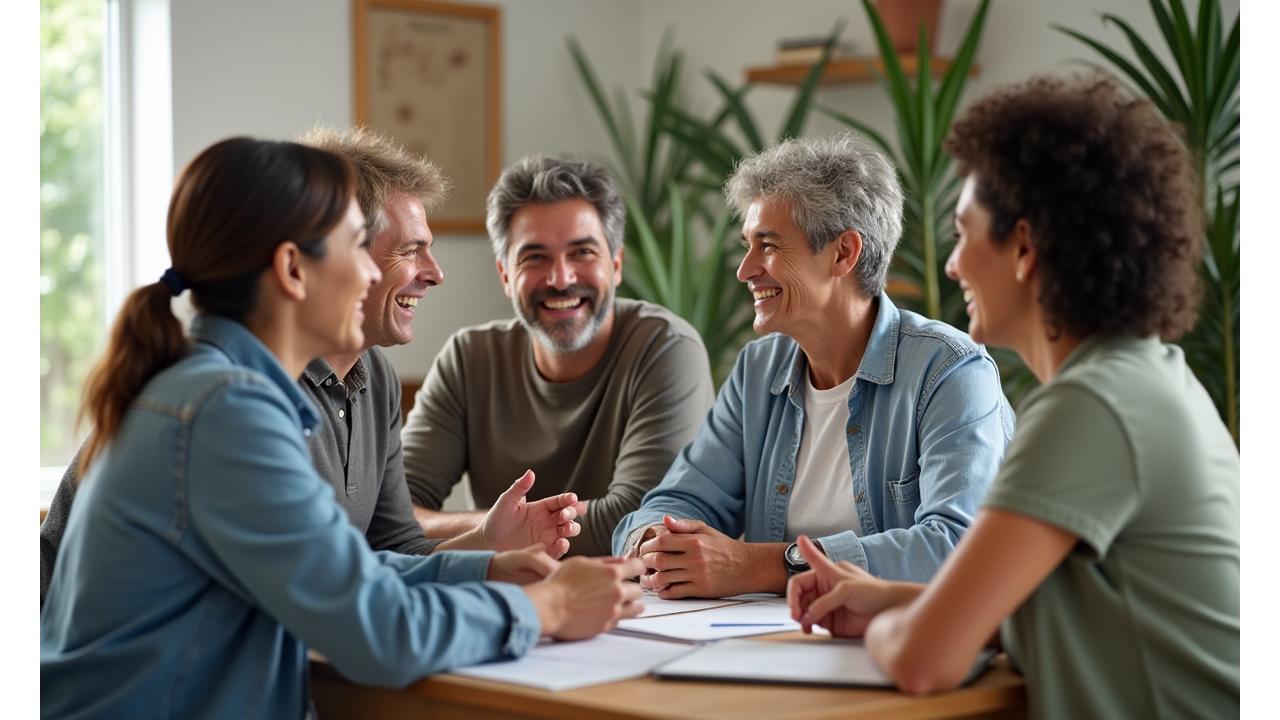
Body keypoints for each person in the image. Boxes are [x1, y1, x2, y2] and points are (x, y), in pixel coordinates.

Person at [41, 137, 643, 718]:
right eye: (360, 246)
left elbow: (343, 566)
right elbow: (376, 630)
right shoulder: (228, 413)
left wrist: (481, 566)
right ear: (293, 270)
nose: (370, 273)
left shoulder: (218, 391)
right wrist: (547, 607)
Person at [786, 74, 1239, 718]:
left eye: (964, 232)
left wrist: (902, 629)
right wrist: (895, 600)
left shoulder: (1093, 405)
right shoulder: (1145, 376)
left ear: (1024, 246)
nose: (951, 264)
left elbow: (923, 661)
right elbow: (1091, 619)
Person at [613, 134, 1013, 596]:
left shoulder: (950, 372)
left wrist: (763, 565)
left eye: (767, 245)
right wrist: (654, 543)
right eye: (747, 244)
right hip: (773, 643)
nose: (745, 270)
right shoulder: (758, 371)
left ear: (844, 253)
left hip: (895, 646)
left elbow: (954, 548)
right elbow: (675, 500)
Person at [401, 155, 715, 557]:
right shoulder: (469, 358)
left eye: (582, 252)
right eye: (535, 257)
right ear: (505, 275)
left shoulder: (665, 348)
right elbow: (397, 512)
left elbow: (638, 520)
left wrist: (505, 532)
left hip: (635, 606)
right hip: (507, 601)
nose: (561, 278)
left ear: (615, 265)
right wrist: (497, 529)